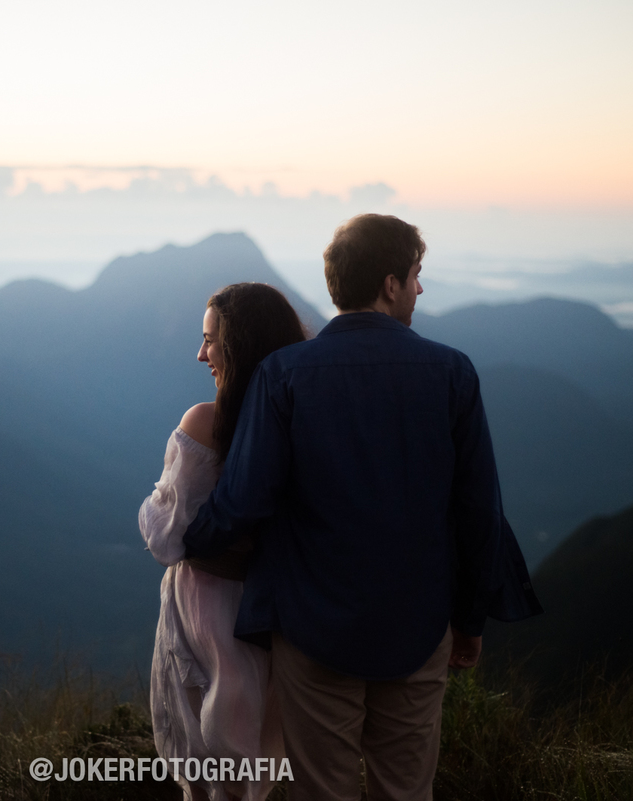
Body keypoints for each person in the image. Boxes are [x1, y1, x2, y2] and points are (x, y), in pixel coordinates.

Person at [182, 214, 543, 801]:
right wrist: (470, 619)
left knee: (321, 791)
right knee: (405, 791)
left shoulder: (283, 375)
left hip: (311, 627)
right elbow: (478, 511)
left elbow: (245, 499)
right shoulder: (452, 373)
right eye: (416, 275)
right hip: (419, 623)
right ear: (390, 283)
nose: (420, 289)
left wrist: (188, 542)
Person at [140, 282, 307, 801]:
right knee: (262, 747)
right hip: (279, 607)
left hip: (206, 608)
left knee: (211, 763)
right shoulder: (304, 419)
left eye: (210, 340)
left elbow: (165, 538)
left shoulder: (205, 423)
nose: (200, 353)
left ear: (239, 346)